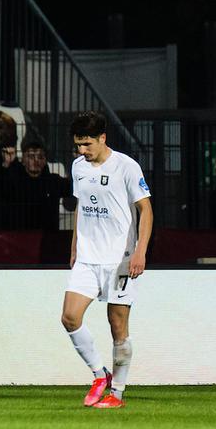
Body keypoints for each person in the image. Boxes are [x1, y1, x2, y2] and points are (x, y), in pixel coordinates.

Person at [61, 111, 154, 409]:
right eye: (78, 145)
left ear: (103, 138)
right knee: (70, 317)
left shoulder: (126, 166)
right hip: (88, 258)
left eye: (87, 144)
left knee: (117, 325)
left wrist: (140, 250)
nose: (82, 151)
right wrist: (75, 245)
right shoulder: (78, 167)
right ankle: (99, 374)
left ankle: (117, 394)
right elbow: (81, 206)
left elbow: (146, 210)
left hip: (120, 259)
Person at [10, 141, 76, 230]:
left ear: (45, 160)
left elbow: (74, 187)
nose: (36, 160)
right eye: (31, 156)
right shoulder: (14, 182)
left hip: (47, 236)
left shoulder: (53, 181)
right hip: (21, 235)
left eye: (40, 157)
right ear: (23, 160)